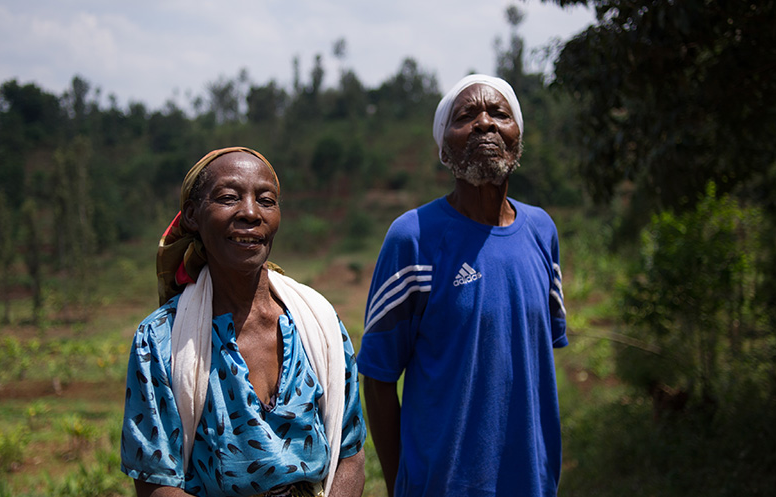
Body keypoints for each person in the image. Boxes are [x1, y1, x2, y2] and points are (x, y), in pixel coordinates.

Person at [357, 75, 568, 497]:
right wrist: (405, 482)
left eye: (499, 113)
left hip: (533, 483)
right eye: (466, 115)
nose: (485, 123)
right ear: (444, 147)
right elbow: (377, 378)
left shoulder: (542, 231)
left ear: (517, 136)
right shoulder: (413, 237)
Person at [120, 147, 366, 497]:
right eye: (228, 198)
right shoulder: (160, 340)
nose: (250, 213)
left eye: (266, 200)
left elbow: (350, 454)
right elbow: (156, 484)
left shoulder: (319, 322)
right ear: (191, 215)